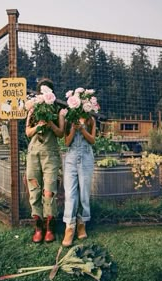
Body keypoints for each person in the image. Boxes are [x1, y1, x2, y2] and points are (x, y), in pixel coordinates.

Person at [25, 78, 64, 243]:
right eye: (41, 91)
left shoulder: (58, 111)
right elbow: (27, 132)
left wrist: (50, 123)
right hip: (34, 154)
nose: (43, 94)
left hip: (50, 155)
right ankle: (38, 227)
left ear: (52, 93)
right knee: (34, 190)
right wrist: (37, 127)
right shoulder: (33, 110)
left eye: (46, 91)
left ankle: (50, 227)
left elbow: (61, 133)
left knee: (49, 191)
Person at [62, 116, 96, 247]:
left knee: (84, 193)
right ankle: (69, 227)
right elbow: (66, 142)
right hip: (71, 158)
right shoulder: (69, 119)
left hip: (86, 157)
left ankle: (82, 223)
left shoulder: (90, 119)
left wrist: (82, 130)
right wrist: (73, 130)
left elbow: (92, 140)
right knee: (70, 193)